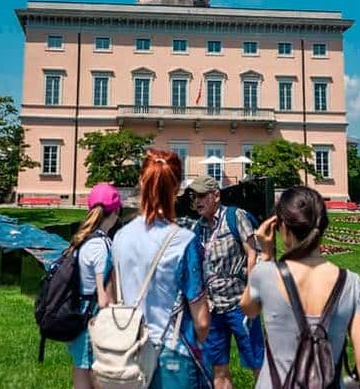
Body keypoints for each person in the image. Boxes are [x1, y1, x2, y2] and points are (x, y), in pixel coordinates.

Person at [240, 186, 360, 389]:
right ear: (323, 225)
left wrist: (266, 254)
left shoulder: (265, 274)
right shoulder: (351, 282)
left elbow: (248, 309)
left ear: (283, 227)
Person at [111, 149, 210, 388]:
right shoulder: (184, 240)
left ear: (141, 182)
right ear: (176, 189)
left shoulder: (120, 237)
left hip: (129, 350)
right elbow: (202, 320)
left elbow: (115, 297)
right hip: (173, 351)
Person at [189, 175, 263, 388]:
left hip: (240, 305)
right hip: (213, 308)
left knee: (257, 363)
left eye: (202, 196)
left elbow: (253, 254)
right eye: (195, 197)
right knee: (219, 370)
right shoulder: (197, 228)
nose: (197, 201)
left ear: (216, 195)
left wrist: (251, 293)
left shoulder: (235, 216)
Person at [66, 183, 122, 389]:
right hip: (94, 319)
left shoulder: (83, 241)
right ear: (116, 211)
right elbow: (103, 298)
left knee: (80, 373)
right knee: (100, 377)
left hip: (79, 314)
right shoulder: (102, 246)